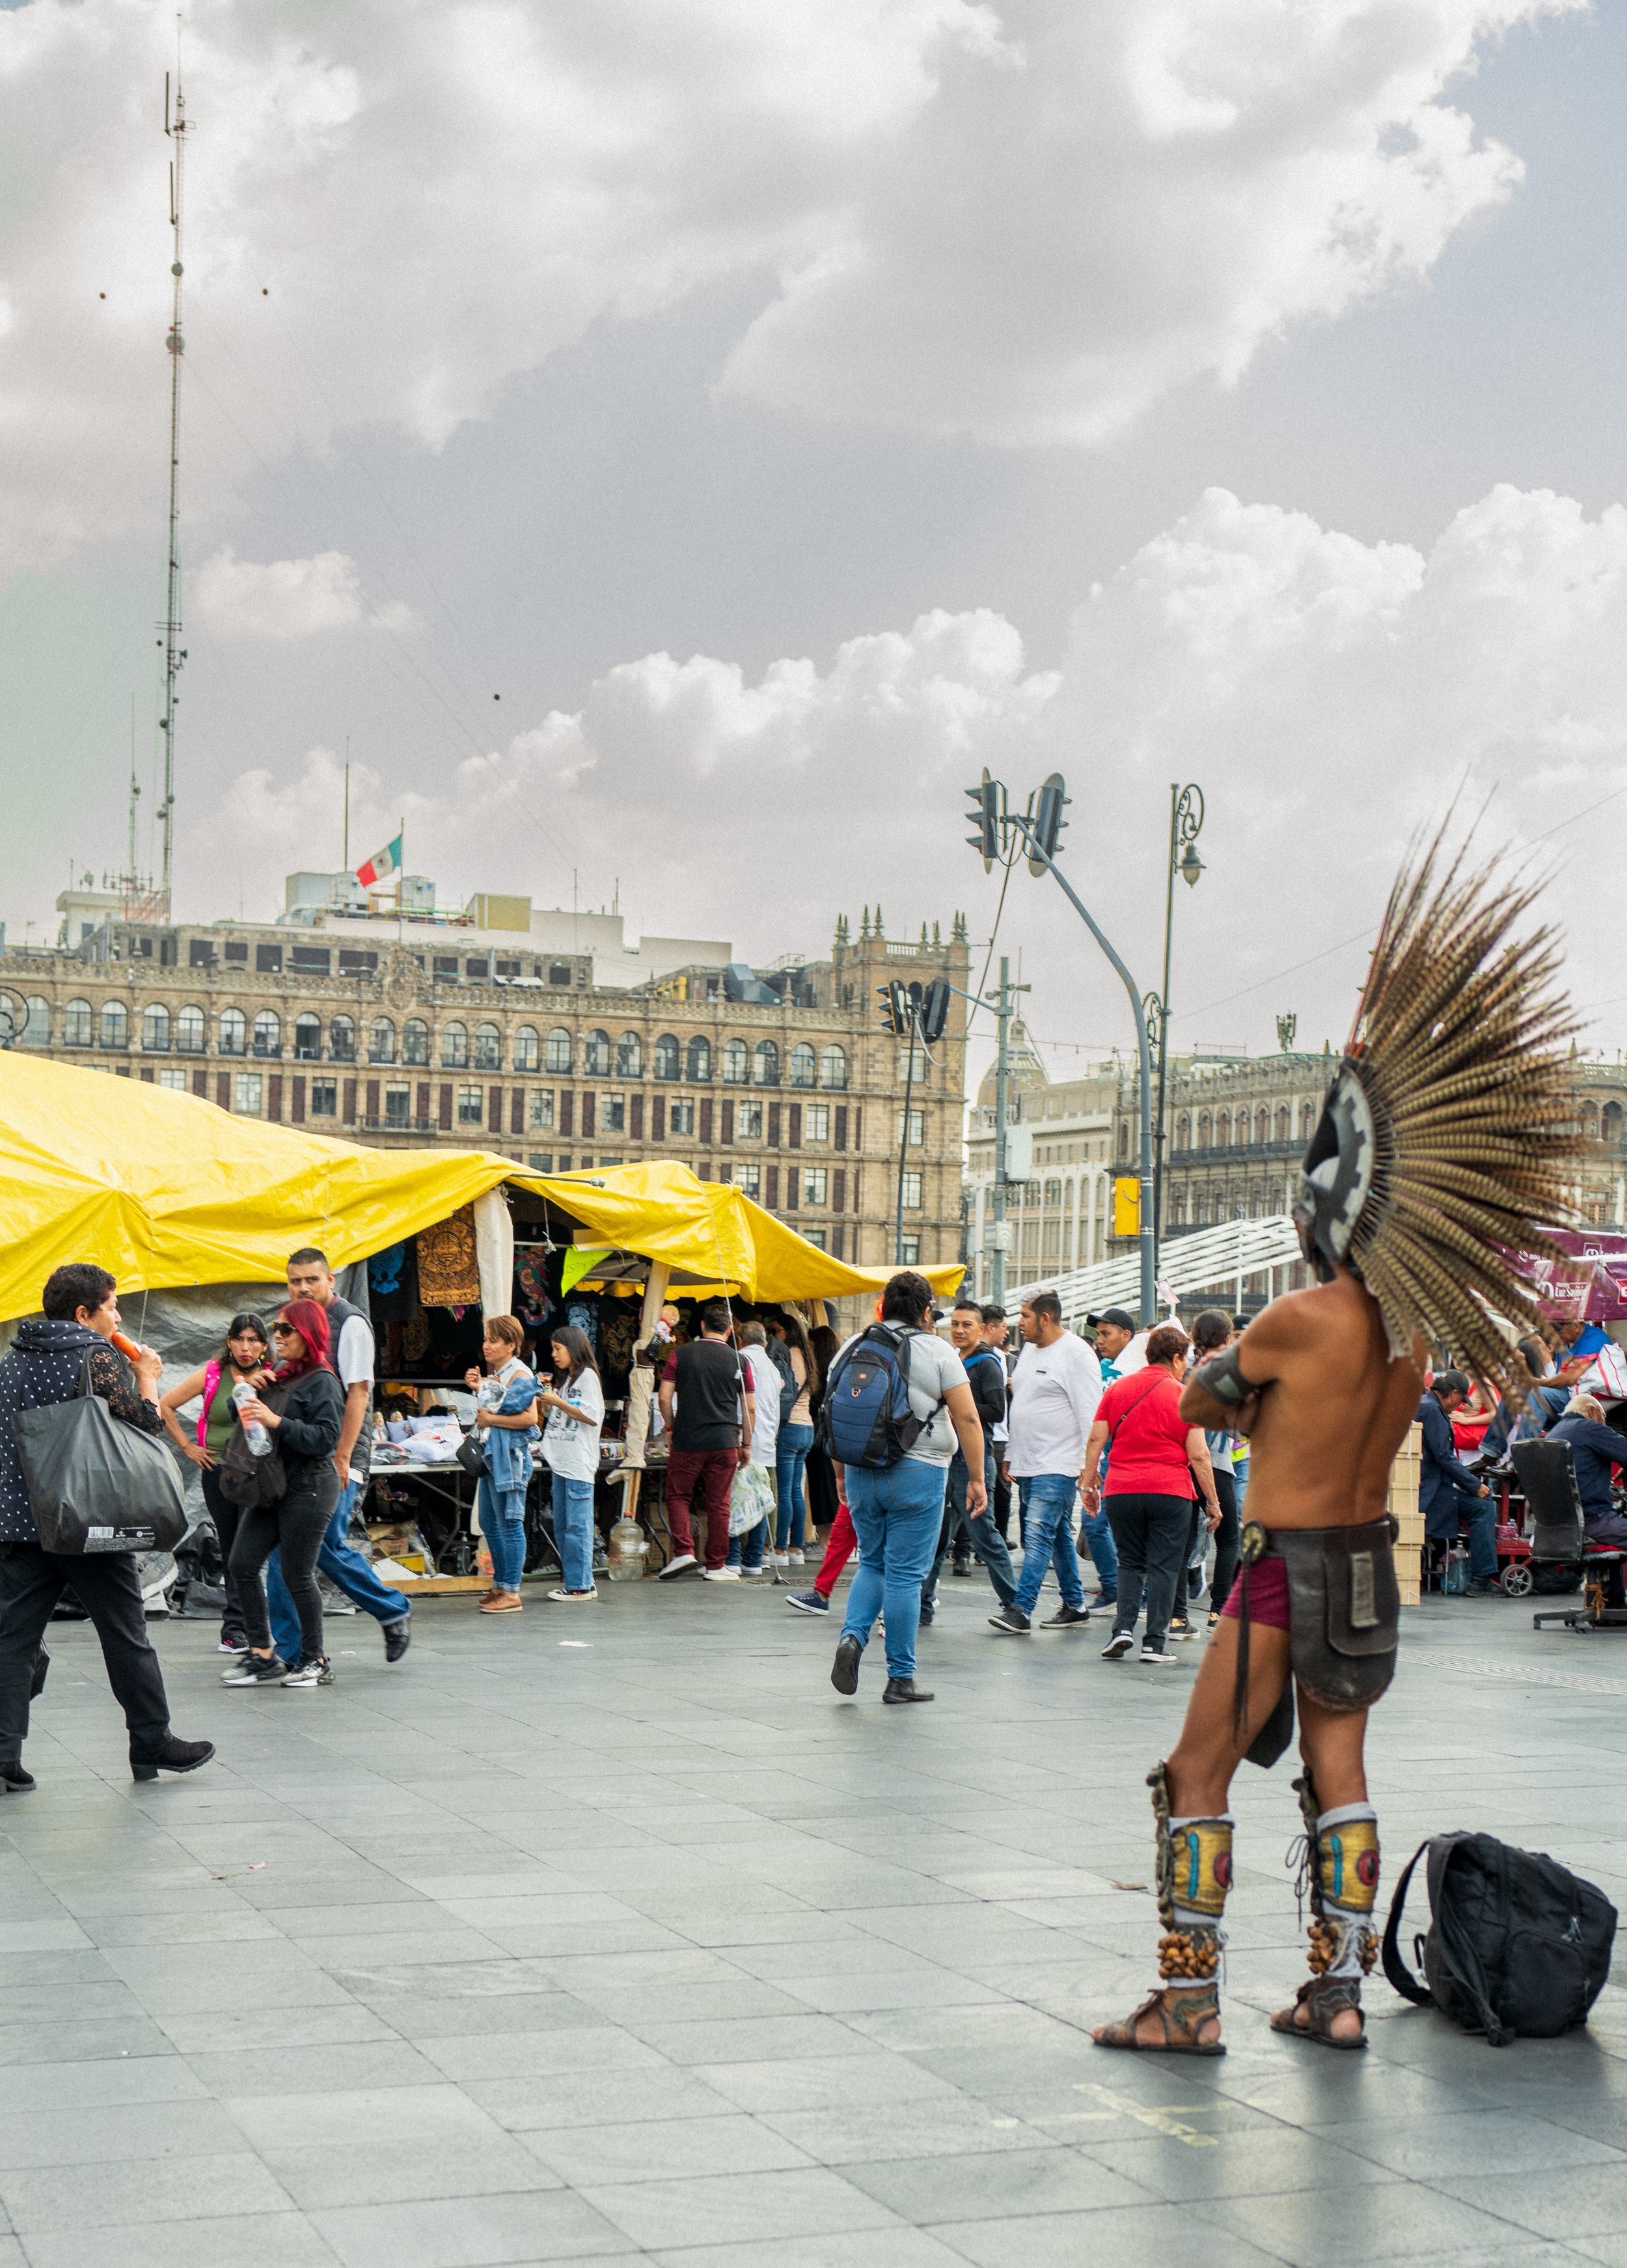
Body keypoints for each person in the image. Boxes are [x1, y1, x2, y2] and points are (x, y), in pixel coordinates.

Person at [1092, 834, 1583, 2056]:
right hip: (1367, 1565)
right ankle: (1339, 1987)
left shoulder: (1291, 1317)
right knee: (1340, 1774)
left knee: (1193, 1769)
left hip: (1281, 1563)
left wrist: (1256, 1407)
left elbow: (1206, 1398)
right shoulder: (1413, 1340)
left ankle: (1188, 2000)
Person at [0, 1264, 215, 1789]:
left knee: (12, 1641)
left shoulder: (11, 1361)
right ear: (83, 1312)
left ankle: (4, 1755)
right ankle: (152, 1741)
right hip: (87, 1521)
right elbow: (143, 1422)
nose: (117, 1314)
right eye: (112, 1306)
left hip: (21, 1522)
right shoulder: (96, 1356)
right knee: (125, 1635)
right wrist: (147, 1377)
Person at [830, 1270, 985, 1703]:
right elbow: (969, 1418)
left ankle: (853, 1638)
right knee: (905, 1575)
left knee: (873, 1563)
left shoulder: (852, 1347)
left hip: (862, 1471)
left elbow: (837, 1413)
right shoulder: (937, 1351)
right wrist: (976, 1477)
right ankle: (900, 1677)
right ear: (925, 1310)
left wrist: (841, 1474)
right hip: (920, 1471)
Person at [266, 1249, 411, 1665]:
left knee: (322, 1545)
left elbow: (359, 1395)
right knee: (284, 1552)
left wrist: (343, 1457)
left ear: (331, 1279)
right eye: (295, 1281)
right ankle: (292, 1652)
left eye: (311, 1280)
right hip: (301, 1456)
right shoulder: (294, 1319)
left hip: (337, 1455)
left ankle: (390, 1606)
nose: (303, 1288)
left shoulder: (351, 1324)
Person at [223, 1299, 346, 1687]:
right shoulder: (280, 1373)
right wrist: (248, 1390)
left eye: (285, 1329)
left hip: (310, 1486)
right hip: (272, 1484)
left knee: (297, 1574)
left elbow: (326, 1440)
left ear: (308, 1334)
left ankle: (315, 1659)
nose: (277, 1336)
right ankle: (263, 1655)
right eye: (275, 1329)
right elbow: (235, 1411)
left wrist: (277, 1420)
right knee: (242, 1563)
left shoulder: (323, 1380)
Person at [1083, 1325, 1219, 1663]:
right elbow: (1200, 1455)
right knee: (1164, 1567)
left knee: (1129, 1561)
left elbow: (1096, 1439)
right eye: (1184, 1359)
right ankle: (1154, 1643)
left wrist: (1089, 1482)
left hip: (1122, 1489)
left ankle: (1123, 1630)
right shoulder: (1183, 1395)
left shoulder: (1118, 1389)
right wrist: (1213, 1503)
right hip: (1169, 1491)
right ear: (1175, 1358)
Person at [159, 1311, 271, 1656]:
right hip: (220, 1472)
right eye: (239, 1339)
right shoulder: (213, 1375)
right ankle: (235, 1629)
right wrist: (189, 1448)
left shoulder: (273, 1378)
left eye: (253, 1340)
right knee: (232, 1548)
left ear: (265, 1346)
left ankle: (261, 1627)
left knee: (254, 1550)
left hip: (260, 1474)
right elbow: (165, 1406)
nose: (245, 1347)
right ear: (229, 1342)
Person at [989, 1292, 1101, 1637]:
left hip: (1060, 1462)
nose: (1018, 1323)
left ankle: (1022, 1608)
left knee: (1036, 1534)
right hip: (1030, 1461)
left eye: (1024, 1316)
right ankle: (1075, 1604)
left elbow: (1090, 1413)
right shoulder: (1028, 1353)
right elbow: (1022, 1404)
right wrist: (1012, 1454)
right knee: (1056, 1536)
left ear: (1045, 1318)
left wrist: (1088, 1466)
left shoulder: (1077, 1354)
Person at [921, 1300, 1017, 1622]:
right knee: (935, 1536)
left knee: (984, 1535)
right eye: (956, 1324)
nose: (960, 1330)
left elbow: (997, 1410)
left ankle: (1014, 1603)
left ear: (982, 1329)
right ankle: (922, 1603)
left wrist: (959, 1410)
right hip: (945, 1458)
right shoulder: (952, 1357)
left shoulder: (987, 1364)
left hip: (972, 1460)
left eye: (967, 1325)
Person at [657, 1303, 753, 1581]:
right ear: (731, 1330)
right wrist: (746, 1444)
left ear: (702, 1325)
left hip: (688, 1438)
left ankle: (684, 1551)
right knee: (719, 1503)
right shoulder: (741, 1361)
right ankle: (715, 1565)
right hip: (725, 1440)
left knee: (678, 1495)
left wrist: (670, 1427)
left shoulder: (680, 1354)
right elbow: (751, 1409)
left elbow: (664, 1398)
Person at [463, 1315, 541, 1612]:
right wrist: (478, 1388)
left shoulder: (520, 1374)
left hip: (510, 1458)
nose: (486, 1346)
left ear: (511, 1345)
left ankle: (511, 1592)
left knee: (509, 1523)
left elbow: (530, 1418)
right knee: (489, 1522)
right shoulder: (501, 1372)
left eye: (493, 1340)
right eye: (486, 1339)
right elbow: (499, 1406)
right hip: (495, 1456)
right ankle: (500, 1585)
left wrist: (491, 1419)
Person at [1172, 1310, 1241, 1637]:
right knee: (1229, 1541)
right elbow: (1240, 1428)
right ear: (1227, 1339)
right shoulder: (1230, 1372)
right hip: (1217, 1464)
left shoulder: (1184, 1373)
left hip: (1184, 1465)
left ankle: (1178, 1617)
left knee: (1182, 1542)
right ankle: (1219, 1612)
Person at [538, 1324, 603, 1601]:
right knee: (565, 1526)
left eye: (558, 1348)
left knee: (577, 1526)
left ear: (573, 1348)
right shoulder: (568, 1381)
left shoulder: (587, 1377)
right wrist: (549, 1403)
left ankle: (579, 1586)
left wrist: (558, 1403)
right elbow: (564, 1416)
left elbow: (591, 1416)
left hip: (577, 1464)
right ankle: (582, 1579)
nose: (554, 1354)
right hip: (562, 1462)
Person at [1419, 1368, 1497, 1596]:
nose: (1459, 1407)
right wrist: (1475, 1485)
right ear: (1453, 1394)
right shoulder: (1433, 1410)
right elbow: (1445, 1457)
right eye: (1459, 1401)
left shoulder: (1425, 1404)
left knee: (1480, 1504)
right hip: (1431, 1492)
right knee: (1484, 1507)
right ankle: (1481, 1580)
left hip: (1429, 1486)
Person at [728, 1320, 781, 1577]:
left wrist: (741, 1438)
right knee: (759, 1502)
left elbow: (745, 1407)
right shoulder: (772, 1367)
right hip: (768, 1441)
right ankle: (755, 1558)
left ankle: (733, 1557)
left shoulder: (740, 1360)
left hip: (746, 1440)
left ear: (740, 1340)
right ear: (765, 1342)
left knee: (737, 1500)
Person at [769, 1311, 819, 1570]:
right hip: (807, 1429)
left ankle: (780, 1548)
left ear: (786, 1332)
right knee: (796, 1492)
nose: (771, 1335)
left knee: (785, 1491)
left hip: (790, 1429)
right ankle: (797, 1547)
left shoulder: (787, 1355)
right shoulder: (808, 1355)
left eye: (775, 1330)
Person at [1542, 1394, 1627, 1545]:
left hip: (1557, 1526)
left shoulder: (1553, 1434)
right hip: (1594, 1521)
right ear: (1591, 1412)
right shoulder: (1590, 1428)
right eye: (1603, 1417)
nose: (1605, 1424)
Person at [802, 1323, 843, 1537]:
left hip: (821, 1436)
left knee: (823, 1488)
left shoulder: (823, 1371)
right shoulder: (838, 1368)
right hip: (832, 1436)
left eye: (810, 1345)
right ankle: (828, 1541)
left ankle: (826, 1542)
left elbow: (818, 1403)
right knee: (826, 1487)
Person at [981, 1306, 1015, 1540]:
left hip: (1002, 1435)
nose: (1006, 1332)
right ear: (991, 1327)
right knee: (977, 1488)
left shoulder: (1009, 1361)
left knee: (1002, 1491)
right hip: (977, 1432)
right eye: (1004, 1327)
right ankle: (964, 1549)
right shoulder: (961, 1355)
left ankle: (999, 1539)